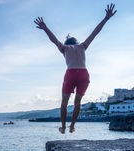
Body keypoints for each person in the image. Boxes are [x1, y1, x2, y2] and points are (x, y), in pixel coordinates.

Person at [34, 3, 117, 133]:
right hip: (84, 74)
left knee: (64, 103)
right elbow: (94, 33)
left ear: (67, 43)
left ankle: (63, 127)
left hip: (71, 74)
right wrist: (106, 18)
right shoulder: (83, 46)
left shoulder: (65, 48)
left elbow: (54, 40)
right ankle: (72, 126)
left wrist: (45, 28)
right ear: (76, 42)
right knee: (77, 103)